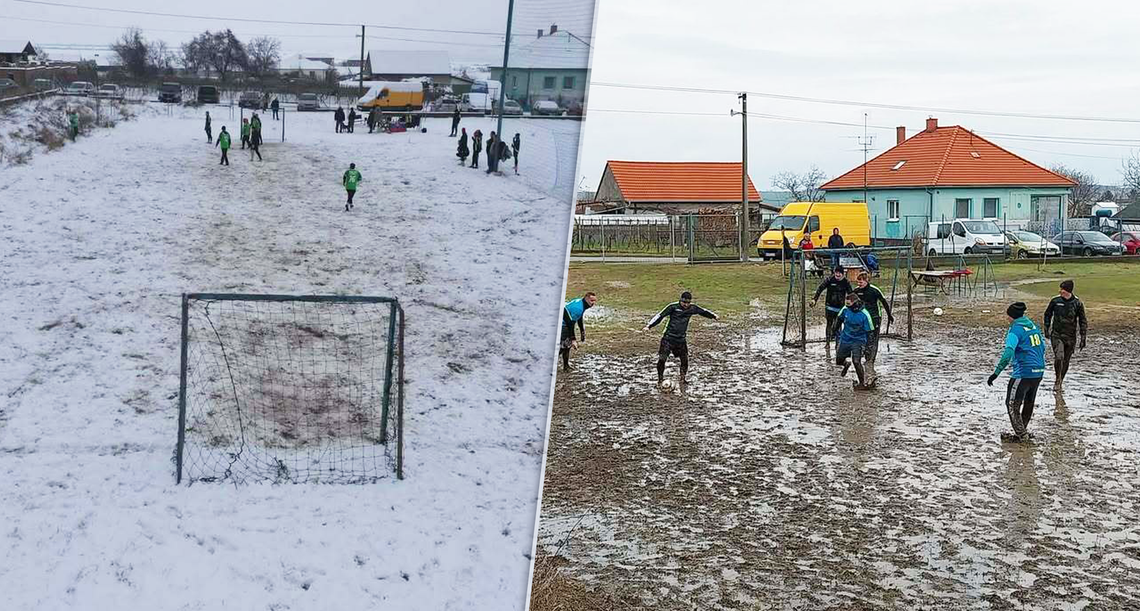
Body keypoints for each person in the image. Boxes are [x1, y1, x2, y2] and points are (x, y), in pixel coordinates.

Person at [987, 302, 1046, 442]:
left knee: (1012, 404)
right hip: (1038, 371)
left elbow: (1008, 352)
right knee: (1029, 402)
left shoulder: (1015, 330)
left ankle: (1022, 435)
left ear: (1011, 316)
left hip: (1023, 372)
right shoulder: (1032, 326)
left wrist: (996, 373)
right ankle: (1022, 431)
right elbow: (1042, 346)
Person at [644, 291, 718, 388]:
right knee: (662, 359)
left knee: (685, 360)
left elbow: (703, 311)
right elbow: (660, 316)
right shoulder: (673, 307)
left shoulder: (692, 308)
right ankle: (660, 380)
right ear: (680, 300)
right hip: (668, 338)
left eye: (688, 303)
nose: (686, 305)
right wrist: (649, 326)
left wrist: (714, 316)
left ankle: (682, 379)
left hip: (681, 339)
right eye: (684, 302)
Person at [1042, 279, 1088, 392]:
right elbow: (1047, 314)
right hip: (1057, 335)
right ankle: (1057, 380)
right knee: (1059, 357)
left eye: (1062, 289)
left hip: (1071, 337)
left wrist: (1083, 337)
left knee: (1066, 360)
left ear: (1068, 290)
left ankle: (1060, 380)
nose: (1060, 291)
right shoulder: (1055, 301)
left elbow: (1083, 321)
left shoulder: (1077, 303)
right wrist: (1046, 328)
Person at [853, 271, 894, 378]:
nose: (859, 283)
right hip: (862, 319)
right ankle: (864, 353)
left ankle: (870, 359)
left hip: (875, 318)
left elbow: (884, 302)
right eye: (858, 281)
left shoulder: (874, 290)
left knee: (874, 338)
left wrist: (889, 315)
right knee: (863, 337)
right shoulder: (856, 291)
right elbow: (849, 303)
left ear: (867, 281)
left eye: (861, 281)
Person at [832, 292, 875, 390]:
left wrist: (869, 347)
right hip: (845, 338)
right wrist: (833, 331)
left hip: (859, 340)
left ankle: (862, 383)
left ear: (855, 303)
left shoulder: (865, 314)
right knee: (838, 361)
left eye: (849, 305)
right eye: (846, 304)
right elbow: (839, 320)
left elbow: (870, 333)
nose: (847, 307)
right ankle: (846, 364)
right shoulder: (845, 309)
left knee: (856, 361)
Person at [812, 266, 852, 341]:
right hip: (829, 306)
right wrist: (815, 299)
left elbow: (851, 294)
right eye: (836, 272)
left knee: (838, 325)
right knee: (829, 324)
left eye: (839, 273)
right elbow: (820, 288)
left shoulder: (846, 282)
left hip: (840, 308)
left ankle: (838, 342)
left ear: (843, 274)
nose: (838, 274)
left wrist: (852, 306)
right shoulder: (829, 280)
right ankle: (827, 342)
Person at [560, 292, 597, 372]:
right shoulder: (578, 308)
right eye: (591, 301)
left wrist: (582, 331)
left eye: (594, 301)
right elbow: (570, 324)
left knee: (566, 346)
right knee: (564, 346)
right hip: (563, 324)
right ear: (586, 299)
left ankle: (566, 366)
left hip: (565, 322)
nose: (593, 303)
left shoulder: (581, 303)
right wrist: (573, 339)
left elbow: (579, 317)